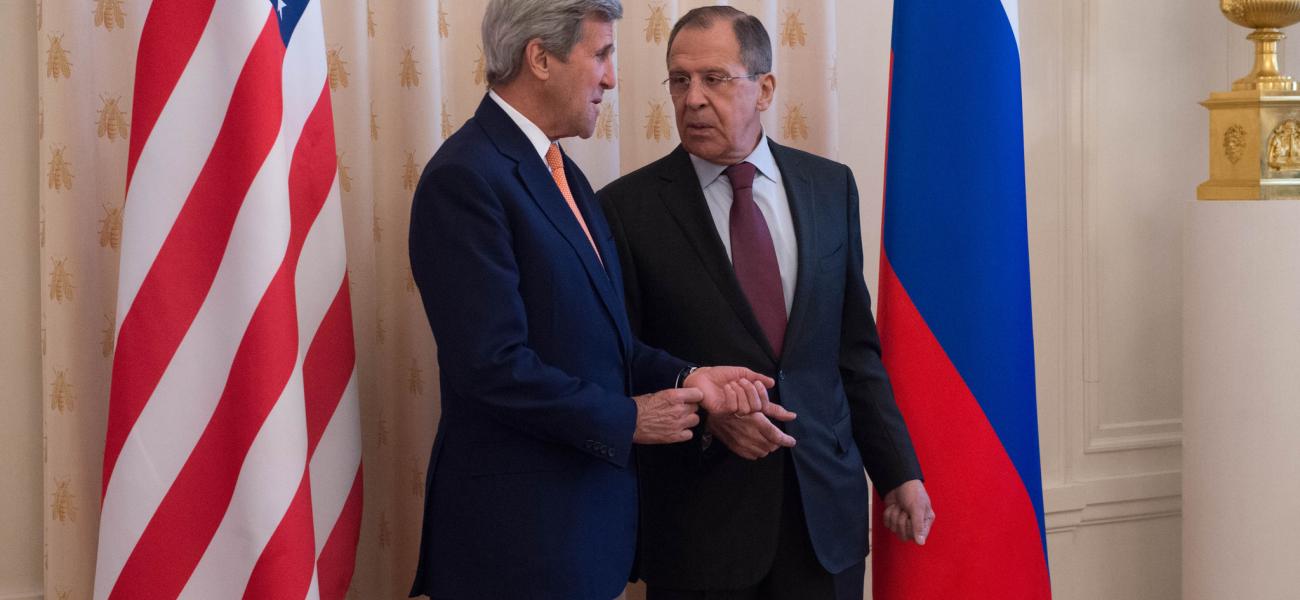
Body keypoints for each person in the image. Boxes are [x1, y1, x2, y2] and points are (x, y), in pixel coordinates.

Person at [407, 1, 788, 598]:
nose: (612, 78)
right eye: (602, 55)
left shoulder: (566, 176)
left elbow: (602, 342)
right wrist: (631, 418)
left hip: (581, 536)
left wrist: (693, 378)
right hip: (516, 545)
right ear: (539, 58)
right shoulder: (467, 177)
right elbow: (490, 366)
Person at [598, 7, 935, 600]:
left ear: (766, 87)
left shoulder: (830, 188)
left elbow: (854, 353)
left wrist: (898, 472)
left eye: (714, 78)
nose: (693, 99)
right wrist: (709, 415)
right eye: (679, 80)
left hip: (823, 520)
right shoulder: (626, 210)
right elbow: (618, 360)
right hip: (702, 528)